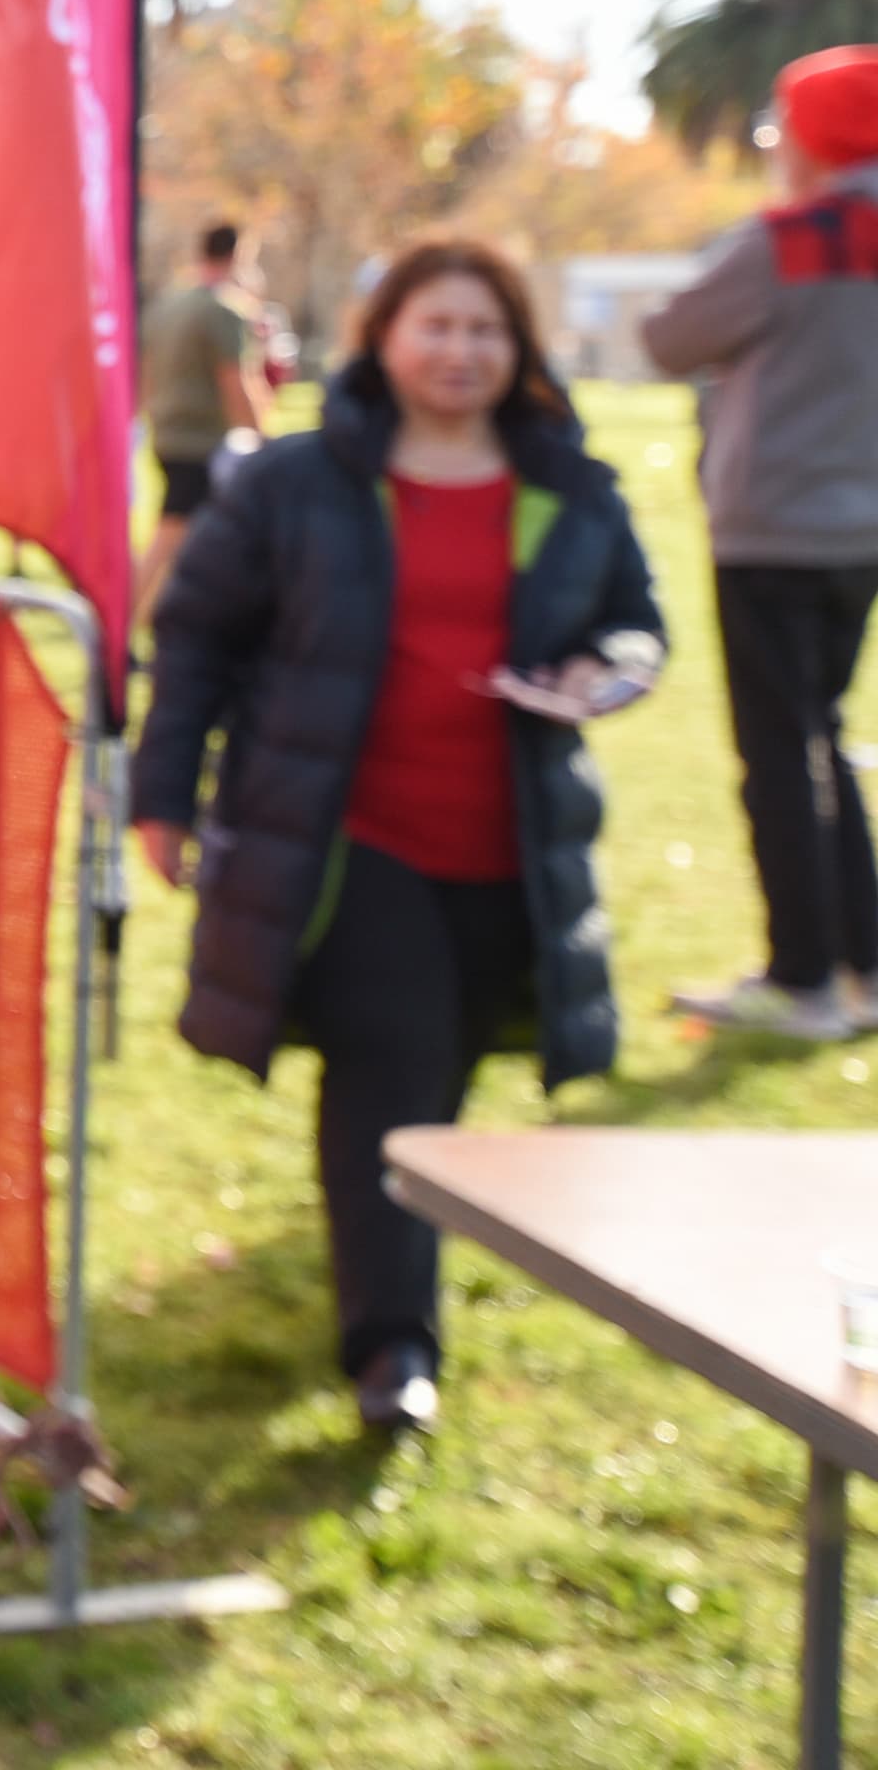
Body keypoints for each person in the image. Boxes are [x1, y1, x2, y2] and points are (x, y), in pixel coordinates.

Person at [133, 239, 664, 1433]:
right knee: (394, 1064)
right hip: (349, 842)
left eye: (487, 329)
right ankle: (392, 1344)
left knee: (445, 1064)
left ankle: (386, 1267)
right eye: (438, 325)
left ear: (517, 348)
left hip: (509, 851)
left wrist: (610, 670)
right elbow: (200, 636)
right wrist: (163, 793)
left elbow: (639, 623)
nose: (462, 350)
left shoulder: (572, 488)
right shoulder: (294, 481)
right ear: (384, 337)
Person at [644, 43, 878, 1042]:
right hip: (861, 531)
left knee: (781, 754)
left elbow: (667, 339)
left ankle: (803, 979)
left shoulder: (793, 238)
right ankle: (861, 965)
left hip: (773, 528)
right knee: (821, 735)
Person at [132, 220, 272, 632]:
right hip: (201, 443)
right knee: (171, 537)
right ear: (239, 255)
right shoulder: (224, 308)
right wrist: (265, 436)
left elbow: (148, 373)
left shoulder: (170, 304)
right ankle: (122, 625)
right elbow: (237, 380)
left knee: (181, 541)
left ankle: (148, 623)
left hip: (167, 432)